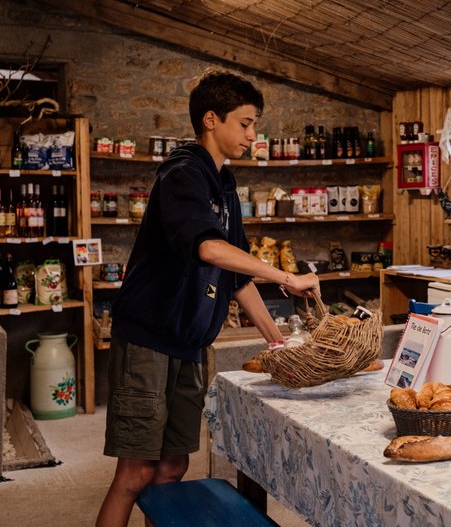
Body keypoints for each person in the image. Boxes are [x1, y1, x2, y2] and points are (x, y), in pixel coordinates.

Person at [95, 71, 320, 527]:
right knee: (135, 471)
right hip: (149, 339)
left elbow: (234, 274)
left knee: (172, 467)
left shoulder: (224, 184)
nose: (253, 135)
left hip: (189, 343)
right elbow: (208, 248)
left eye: (255, 124)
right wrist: (287, 277)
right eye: (245, 123)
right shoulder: (183, 173)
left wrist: (277, 343)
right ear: (211, 120)